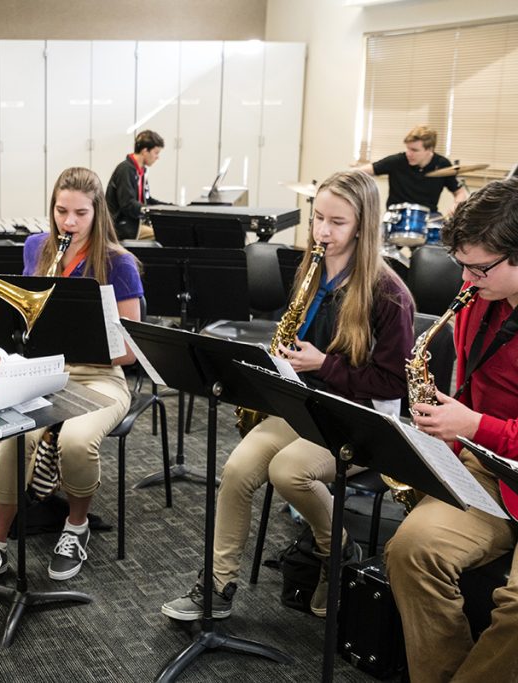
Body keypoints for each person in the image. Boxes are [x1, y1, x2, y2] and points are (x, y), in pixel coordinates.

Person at [160, 170, 415, 622]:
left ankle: (336, 551)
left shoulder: (389, 293)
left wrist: (322, 364)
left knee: (288, 471)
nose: (322, 232)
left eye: (337, 222)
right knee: (236, 470)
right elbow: (295, 334)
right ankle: (218, 586)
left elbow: (395, 384)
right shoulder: (312, 268)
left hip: (360, 418)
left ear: (363, 224)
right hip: (305, 405)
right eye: (318, 218)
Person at [0, 166, 143, 583]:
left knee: (77, 442)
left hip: (100, 376)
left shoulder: (119, 264)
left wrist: (84, 340)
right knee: (10, 436)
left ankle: (76, 527)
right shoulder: (36, 248)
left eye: (80, 213)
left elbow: (131, 352)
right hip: (44, 371)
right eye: (62, 211)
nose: (69, 223)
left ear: (98, 213)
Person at [385, 176, 518, 682]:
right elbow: (476, 379)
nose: (465, 278)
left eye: (478, 267)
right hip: (490, 467)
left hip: (499, 450)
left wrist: (475, 425)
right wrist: (453, 426)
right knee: (411, 552)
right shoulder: (476, 293)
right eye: (461, 264)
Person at [359, 125, 470, 214]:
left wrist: (456, 206)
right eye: (408, 148)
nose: (409, 154)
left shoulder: (442, 164)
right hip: (396, 216)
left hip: (428, 217)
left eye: (414, 150)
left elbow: (460, 193)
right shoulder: (397, 161)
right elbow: (362, 171)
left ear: (429, 149)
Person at [105, 130, 167, 241]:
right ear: (145, 151)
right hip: (121, 226)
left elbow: (147, 200)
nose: (157, 157)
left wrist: (169, 207)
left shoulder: (141, 171)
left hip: (133, 223)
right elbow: (127, 204)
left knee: (166, 231)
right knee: (163, 235)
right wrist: (150, 210)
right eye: (156, 153)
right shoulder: (126, 170)